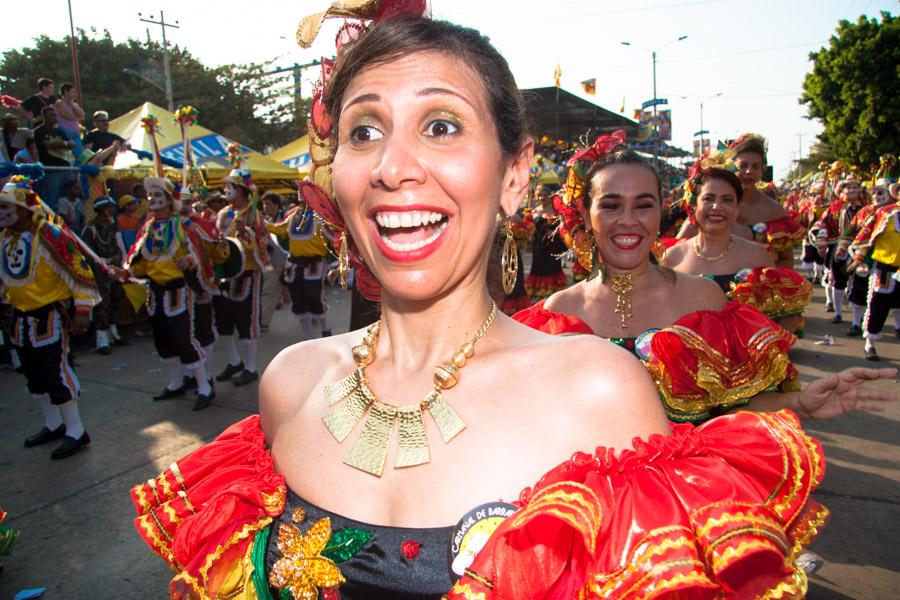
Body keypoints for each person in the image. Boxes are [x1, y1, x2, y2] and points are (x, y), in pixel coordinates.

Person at [132, 16, 840, 599]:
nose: (392, 166)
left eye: (441, 125)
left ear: (514, 175)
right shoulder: (288, 381)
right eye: (363, 131)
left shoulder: (598, 393)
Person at [515, 136, 892, 423]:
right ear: (585, 213)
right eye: (610, 205)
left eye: (643, 205)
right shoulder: (558, 313)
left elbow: (735, 404)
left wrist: (800, 402)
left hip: (690, 501)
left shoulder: (704, 298)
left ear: (661, 210)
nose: (627, 220)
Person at [0, 177, 98, 459]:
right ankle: (53, 423)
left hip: (49, 315)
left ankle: (76, 430)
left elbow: (81, 272)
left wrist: (82, 310)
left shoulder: (52, 235)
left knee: (56, 371)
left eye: (7, 207)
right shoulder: (5, 239)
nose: (2, 213)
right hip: (20, 316)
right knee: (33, 373)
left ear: (23, 209)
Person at [663, 155, 812, 334]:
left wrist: (764, 353)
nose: (717, 206)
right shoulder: (671, 258)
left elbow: (788, 316)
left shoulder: (758, 256)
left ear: (736, 209)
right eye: (708, 198)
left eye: (727, 200)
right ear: (693, 206)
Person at [112, 177, 218, 409]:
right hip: (155, 291)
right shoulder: (148, 228)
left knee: (184, 337)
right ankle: (175, 382)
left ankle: (204, 386)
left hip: (178, 290)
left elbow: (201, 254)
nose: (153, 200)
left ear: (170, 201)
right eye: (151, 196)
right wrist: (125, 272)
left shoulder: (183, 226)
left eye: (159, 196)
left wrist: (189, 260)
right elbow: (139, 262)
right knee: (163, 338)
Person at [213, 169, 270, 386]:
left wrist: (248, 234)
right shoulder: (223, 214)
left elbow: (263, 238)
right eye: (225, 187)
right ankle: (234, 360)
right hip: (225, 274)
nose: (225, 190)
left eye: (230, 187)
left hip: (247, 272)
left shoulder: (252, 213)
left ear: (242, 190)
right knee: (224, 321)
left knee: (247, 319)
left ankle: (250, 367)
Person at [266, 194, 332, 338]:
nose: (303, 196)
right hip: (294, 263)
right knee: (298, 299)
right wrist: (264, 225)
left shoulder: (321, 216)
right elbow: (280, 228)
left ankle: (325, 329)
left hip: (314, 262)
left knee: (315, 297)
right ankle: (308, 337)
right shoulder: (293, 215)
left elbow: (334, 236)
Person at [848, 178, 900, 361]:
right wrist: (858, 258)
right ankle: (870, 343)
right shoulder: (885, 214)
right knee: (878, 304)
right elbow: (866, 237)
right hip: (885, 267)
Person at [815, 177, 865, 324]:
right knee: (838, 279)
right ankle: (838, 312)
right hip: (838, 246)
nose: (851, 190)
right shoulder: (834, 207)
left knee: (860, 281)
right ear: (842, 191)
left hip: (861, 247)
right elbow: (821, 223)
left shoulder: (866, 208)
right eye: (848, 188)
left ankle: (859, 317)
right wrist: (822, 240)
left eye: (855, 187)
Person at [81, 195, 127, 353]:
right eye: (109, 207)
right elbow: (86, 253)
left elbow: (117, 247)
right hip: (99, 272)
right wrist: (102, 264)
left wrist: (115, 260)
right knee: (102, 303)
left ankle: (114, 334)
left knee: (116, 298)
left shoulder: (110, 225)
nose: (112, 210)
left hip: (113, 269)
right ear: (102, 209)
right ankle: (102, 341)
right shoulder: (90, 228)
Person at [523, 183, 568, 301]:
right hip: (537, 245)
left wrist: (556, 231)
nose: (542, 197)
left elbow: (565, 226)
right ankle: (539, 295)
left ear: (550, 196)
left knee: (550, 268)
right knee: (537, 266)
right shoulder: (533, 210)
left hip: (552, 246)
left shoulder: (556, 211)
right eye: (540, 195)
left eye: (545, 195)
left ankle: (551, 297)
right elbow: (529, 228)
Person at [32, 106, 75, 211]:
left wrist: (61, 143)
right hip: (51, 170)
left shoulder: (59, 131)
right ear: (44, 116)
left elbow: (72, 144)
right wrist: (64, 144)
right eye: (52, 115)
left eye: (56, 115)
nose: (55, 117)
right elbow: (48, 145)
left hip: (66, 168)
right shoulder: (39, 131)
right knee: (51, 199)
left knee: (66, 198)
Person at [53, 83, 85, 150]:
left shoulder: (73, 104)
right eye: (72, 92)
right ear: (65, 92)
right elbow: (69, 115)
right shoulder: (59, 103)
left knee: (80, 155)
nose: (74, 94)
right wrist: (78, 118)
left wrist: (72, 104)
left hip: (76, 133)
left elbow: (82, 114)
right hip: (65, 131)